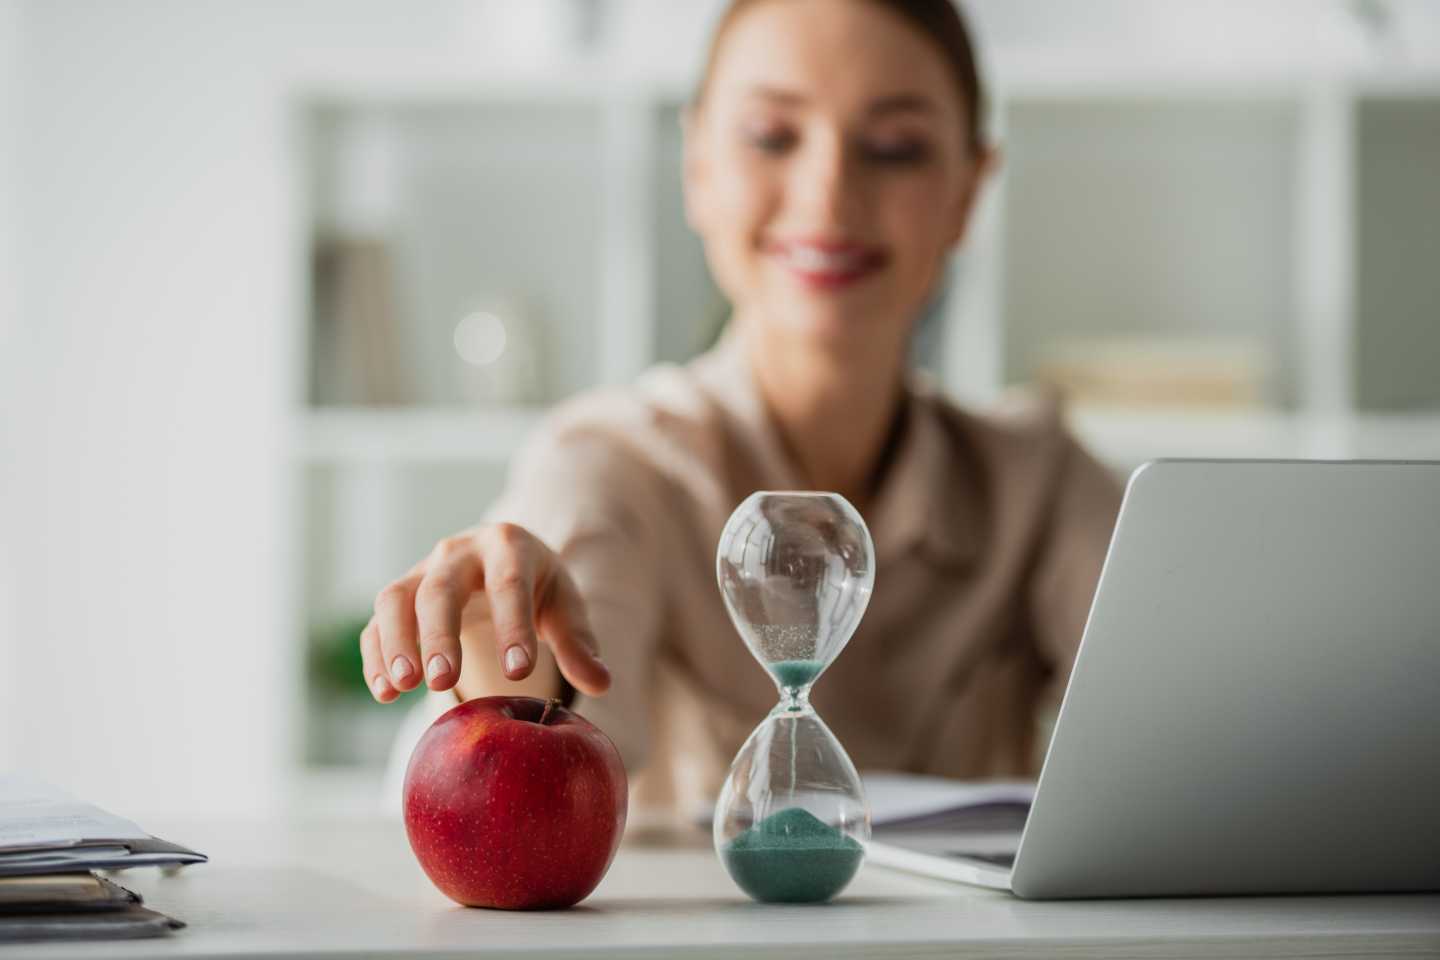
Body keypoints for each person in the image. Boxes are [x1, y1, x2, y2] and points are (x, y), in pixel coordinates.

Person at [366, 0, 1123, 818]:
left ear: (969, 190)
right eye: (771, 136)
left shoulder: (1038, 481)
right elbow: (514, 786)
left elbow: (1198, 736)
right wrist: (496, 654)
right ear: (697, 166)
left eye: (895, 149)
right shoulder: (615, 465)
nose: (829, 193)